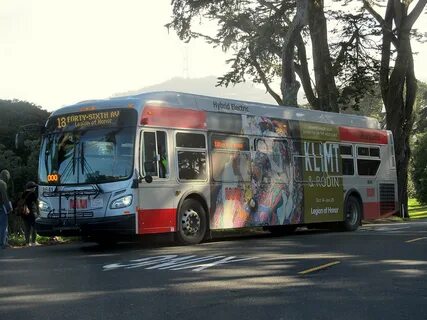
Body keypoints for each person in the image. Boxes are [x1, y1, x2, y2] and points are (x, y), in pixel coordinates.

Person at [21, 181, 39, 246]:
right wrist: (38, 211)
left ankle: (27, 243)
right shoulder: (32, 194)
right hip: (31, 213)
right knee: (34, 227)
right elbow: (37, 202)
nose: (35, 188)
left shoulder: (23, 193)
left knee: (27, 228)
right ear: (32, 188)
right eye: (34, 187)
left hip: (24, 213)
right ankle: (33, 242)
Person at [0, 169, 13, 249]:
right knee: (3, 225)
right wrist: (8, 208)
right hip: (1, 207)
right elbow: (5, 197)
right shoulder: (2, 183)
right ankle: (3, 243)